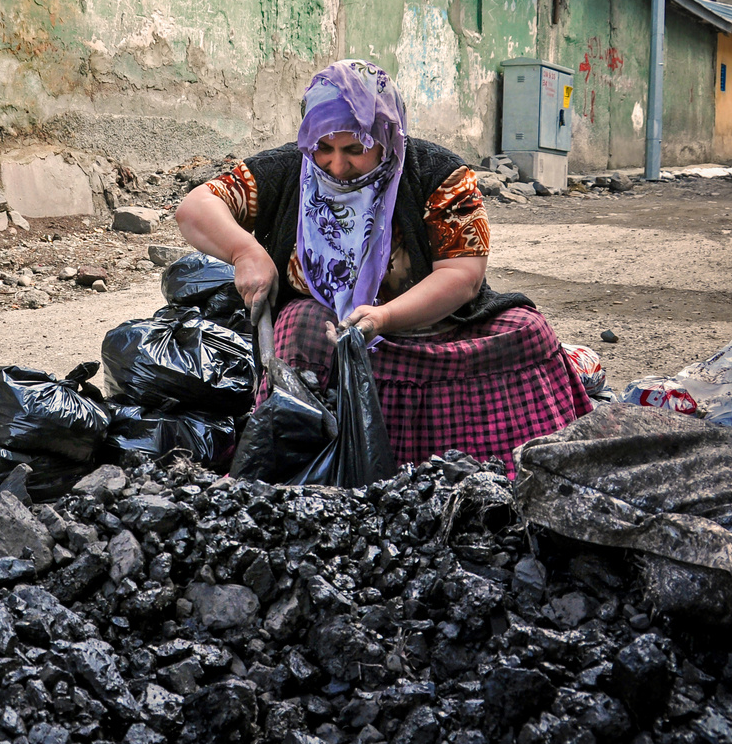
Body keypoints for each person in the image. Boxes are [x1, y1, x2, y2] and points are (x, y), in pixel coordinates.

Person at [174, 59, 590, 469]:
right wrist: (246, 253)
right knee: (297, 326)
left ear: (386, 135)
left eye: (356, 149)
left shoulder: (441, 175)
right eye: (323, 148)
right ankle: (314, 466)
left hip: (435, 326)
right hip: (331, 331)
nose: (337, 165)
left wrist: (384, 317)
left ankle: (495, 461)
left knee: (527, 330)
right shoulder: (286, 171)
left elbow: (463, 277)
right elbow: (196, 207)